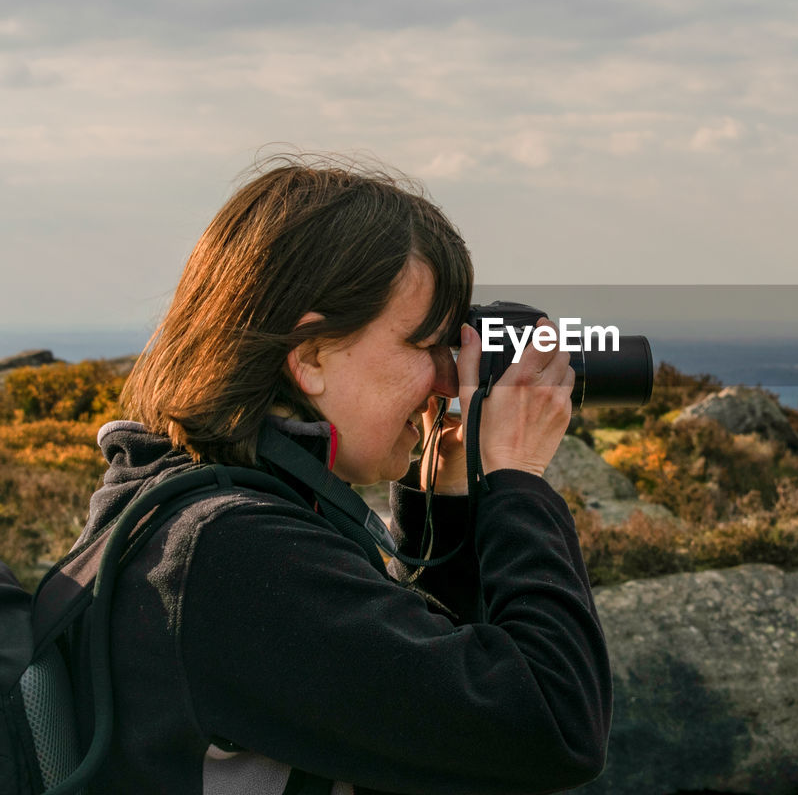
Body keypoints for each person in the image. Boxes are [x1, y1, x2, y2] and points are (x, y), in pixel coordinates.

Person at [71, 157, 611, 793]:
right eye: (425, 345)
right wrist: (519, 481)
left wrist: (447, 497)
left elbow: (431, 721)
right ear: (312, 356)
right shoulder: (233, 557)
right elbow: (552, 727)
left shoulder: (192, 509)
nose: (447, 381)